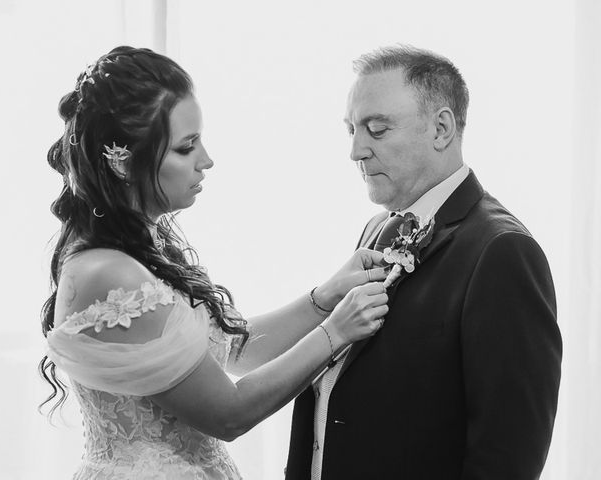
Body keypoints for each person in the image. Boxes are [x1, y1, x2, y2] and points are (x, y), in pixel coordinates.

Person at [39, 46, 391, 479]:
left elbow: (234, 350)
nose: (206, 161)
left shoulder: (136, 247)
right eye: (187, 147)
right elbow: (229, 414)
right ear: (125, 161)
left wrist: (324, 296)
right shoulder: (111, 273)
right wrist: (335, 332)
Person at [286, 45, 563, 480]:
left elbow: (507, 455)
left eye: (376, 129)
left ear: (441, 129)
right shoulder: (377, 230)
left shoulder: (503, 252)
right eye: (352, 130)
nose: (356, 151)